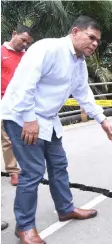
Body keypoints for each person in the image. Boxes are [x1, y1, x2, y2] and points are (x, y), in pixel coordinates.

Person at [1, 15, 112, 244]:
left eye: (97, 41)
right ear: (75, 31)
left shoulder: (79, 62)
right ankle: (24, 227)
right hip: (22, 117)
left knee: (59, 165)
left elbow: (83, 93)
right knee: (33, 172)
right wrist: (29, 119)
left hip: (48, 121)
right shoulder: (47, 49)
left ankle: (65, 208)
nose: (94, 44)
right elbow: (25, 84)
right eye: (91, 37)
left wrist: (102, 120)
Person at [1, 25, 33, 186]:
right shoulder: (1, 52)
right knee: (7, 139)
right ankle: (13, 171)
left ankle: (26, 168)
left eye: (28, 42)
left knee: (25, 136)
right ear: (14, 34)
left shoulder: (27, 56)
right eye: (23, 40)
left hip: (23, 102)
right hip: (4, 102)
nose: (25, 44)